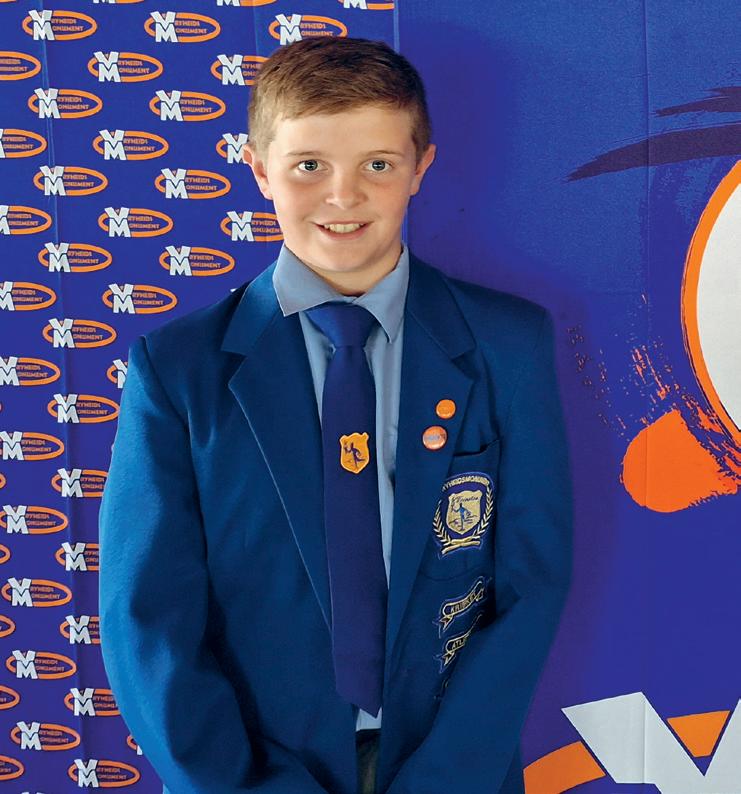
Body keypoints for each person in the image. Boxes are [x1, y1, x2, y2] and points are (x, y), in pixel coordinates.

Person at [99, 37, 572, 794]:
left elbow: (532, 583)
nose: (343, 197)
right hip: (256, 764)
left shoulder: (506, 344)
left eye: (377, 165)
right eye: (308, 166)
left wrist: (447, 779)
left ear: (420, 167)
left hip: (449, 765)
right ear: (260, 170)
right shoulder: (178, 369)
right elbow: (147, 617)